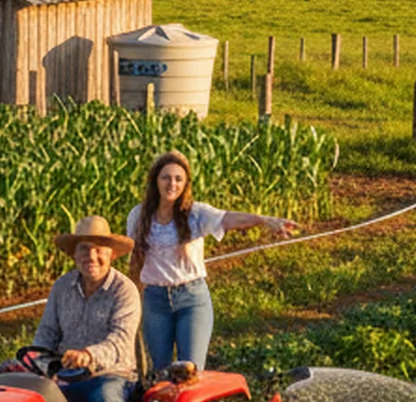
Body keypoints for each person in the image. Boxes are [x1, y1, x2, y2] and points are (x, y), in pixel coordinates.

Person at [126, 151, 299, 372]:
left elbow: (228, 219)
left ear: (186, 183)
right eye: (166, 177)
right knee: (161, 372)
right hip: (155, 300)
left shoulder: (196, 213)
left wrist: (265, 221)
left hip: (191, 298)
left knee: (191, 371)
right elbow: (135, 258)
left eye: (179, 179)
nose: (172, 184)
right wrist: (132, 296)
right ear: (155, 180)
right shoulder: (138, 215)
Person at [26, 214, 141, 402]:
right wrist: (34, 362)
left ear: (111, 254)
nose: (92, 256)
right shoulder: (62, 288)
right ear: (74, 254)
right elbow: (46, 334)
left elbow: (120, 342)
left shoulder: (124, 291)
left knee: (105, 397)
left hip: (112, 376)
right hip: (66, 376)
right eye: (84, 249)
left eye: (99, 249)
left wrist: (89, 355)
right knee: (24, 397)